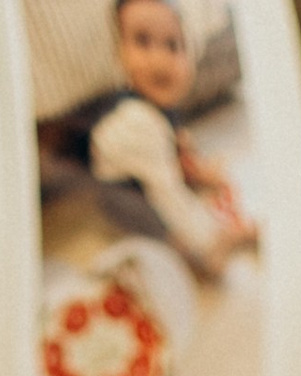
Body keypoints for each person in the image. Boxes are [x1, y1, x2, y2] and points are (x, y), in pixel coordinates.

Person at [38, 0, 258, 284]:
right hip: (109, 199)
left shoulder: (158, 113)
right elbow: (165, 189)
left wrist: (197, 169)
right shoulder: (133, 121)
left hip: (133, 176)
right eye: (142, 42)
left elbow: (176, 151)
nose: (160, 60)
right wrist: (208, 238)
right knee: (160, 201)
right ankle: (210, 245)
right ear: (119, 52)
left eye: (173, 45)